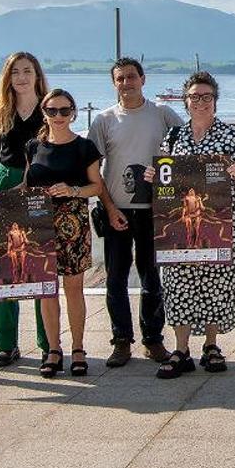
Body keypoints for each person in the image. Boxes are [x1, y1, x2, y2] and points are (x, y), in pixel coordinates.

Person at [145, 72, 235, 379]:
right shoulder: (174, 137)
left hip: (219, 223)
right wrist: (153, 176)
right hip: (180, 225)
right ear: (186, 101)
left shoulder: (231, 136)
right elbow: (163, 174)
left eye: (206, 96)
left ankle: (212, 345)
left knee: (216, 283)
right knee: (178, 284)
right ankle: (181, 349)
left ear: (215, 101)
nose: (200, 102)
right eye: (194, 97)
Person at [89, 57, 182, 367]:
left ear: (143, 79)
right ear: (114, 83)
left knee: (151, 277)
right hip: (117, 210)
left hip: (155, 209)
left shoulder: (163, 114)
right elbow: (93, 170)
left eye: (131, 77)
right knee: (115, 278)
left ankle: (153, 340)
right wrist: (109, 207)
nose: (126, 83)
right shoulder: (103, 120)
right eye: (120, 78)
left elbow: (185, 153)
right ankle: (121, 341)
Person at [25, 88, 105, 378]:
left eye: (64, 110)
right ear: (44, 113)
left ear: (73, 112)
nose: (58, 116)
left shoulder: (85, 147)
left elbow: (97, 186)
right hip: (40, 224)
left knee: (73, 289)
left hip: (73, 223)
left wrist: (72, 190)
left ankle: (79, 347)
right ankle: (53, 349)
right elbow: (26, 186)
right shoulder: (33, 147)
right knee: (46, 291)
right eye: (51, 110)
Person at [0, 51, 50, 367]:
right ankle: (5, 344)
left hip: (39, 185)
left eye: (27, 70)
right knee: (3, 268)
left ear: (37, 75)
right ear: (7, 77)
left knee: (39, 264)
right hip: (4, 181)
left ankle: (48, 342)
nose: (21, 77)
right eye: (15, 72)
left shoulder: (50, 109)